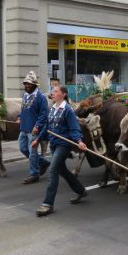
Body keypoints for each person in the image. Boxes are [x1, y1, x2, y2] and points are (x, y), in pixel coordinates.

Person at [31, 85, 88, 217]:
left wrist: (79, 141)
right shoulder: (52, 109)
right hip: (54, 145)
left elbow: (74, 128)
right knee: (63, 171)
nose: (53, 93)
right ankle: (81, 191)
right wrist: (38, 139)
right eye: (53, 91)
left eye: (56, 91)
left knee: (53, 169)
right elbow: (47, 127)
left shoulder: (67, 110)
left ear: (64, 95)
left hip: (64, 145)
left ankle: (48, 204)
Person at [18, 71, 50, 184]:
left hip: (34, 129)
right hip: (24, 127)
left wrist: (38, 126)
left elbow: (44, 114)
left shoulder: (41, 97)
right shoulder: (25, 95)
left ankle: (34, 174)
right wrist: (20, 117)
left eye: (29, 84)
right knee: (22, 148)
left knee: (32, 152)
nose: (26, 86)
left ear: (34, 85)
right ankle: (44, 162)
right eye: (25, 83)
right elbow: (23, 109)